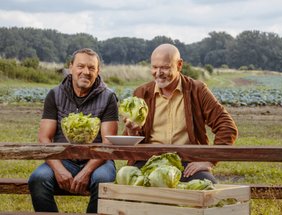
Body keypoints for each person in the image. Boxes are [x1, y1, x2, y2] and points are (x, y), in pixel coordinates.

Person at [125, 43, 238, 183]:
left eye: (165, 68)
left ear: (179, 65)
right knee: (126, 187)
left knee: (209, 187)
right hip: (149, 160)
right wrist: (131, 132)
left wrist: (209, 161)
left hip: (187, 162)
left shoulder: (197, 90)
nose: (158, 73)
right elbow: (132, 141)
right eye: (154, 67)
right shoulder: (142, 93)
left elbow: (226, 126)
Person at [28, 48, 118, 213]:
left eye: (91, 68)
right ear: (71, 67)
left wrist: (86, 171)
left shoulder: (108, 97)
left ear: (98, 71)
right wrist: (59, 170)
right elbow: (44, 138)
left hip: (98, 161)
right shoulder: (55, 94)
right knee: (38, 179)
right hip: (62, 159)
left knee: (103, 181)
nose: (86, 72)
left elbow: (108, 143)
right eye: (80, 66)